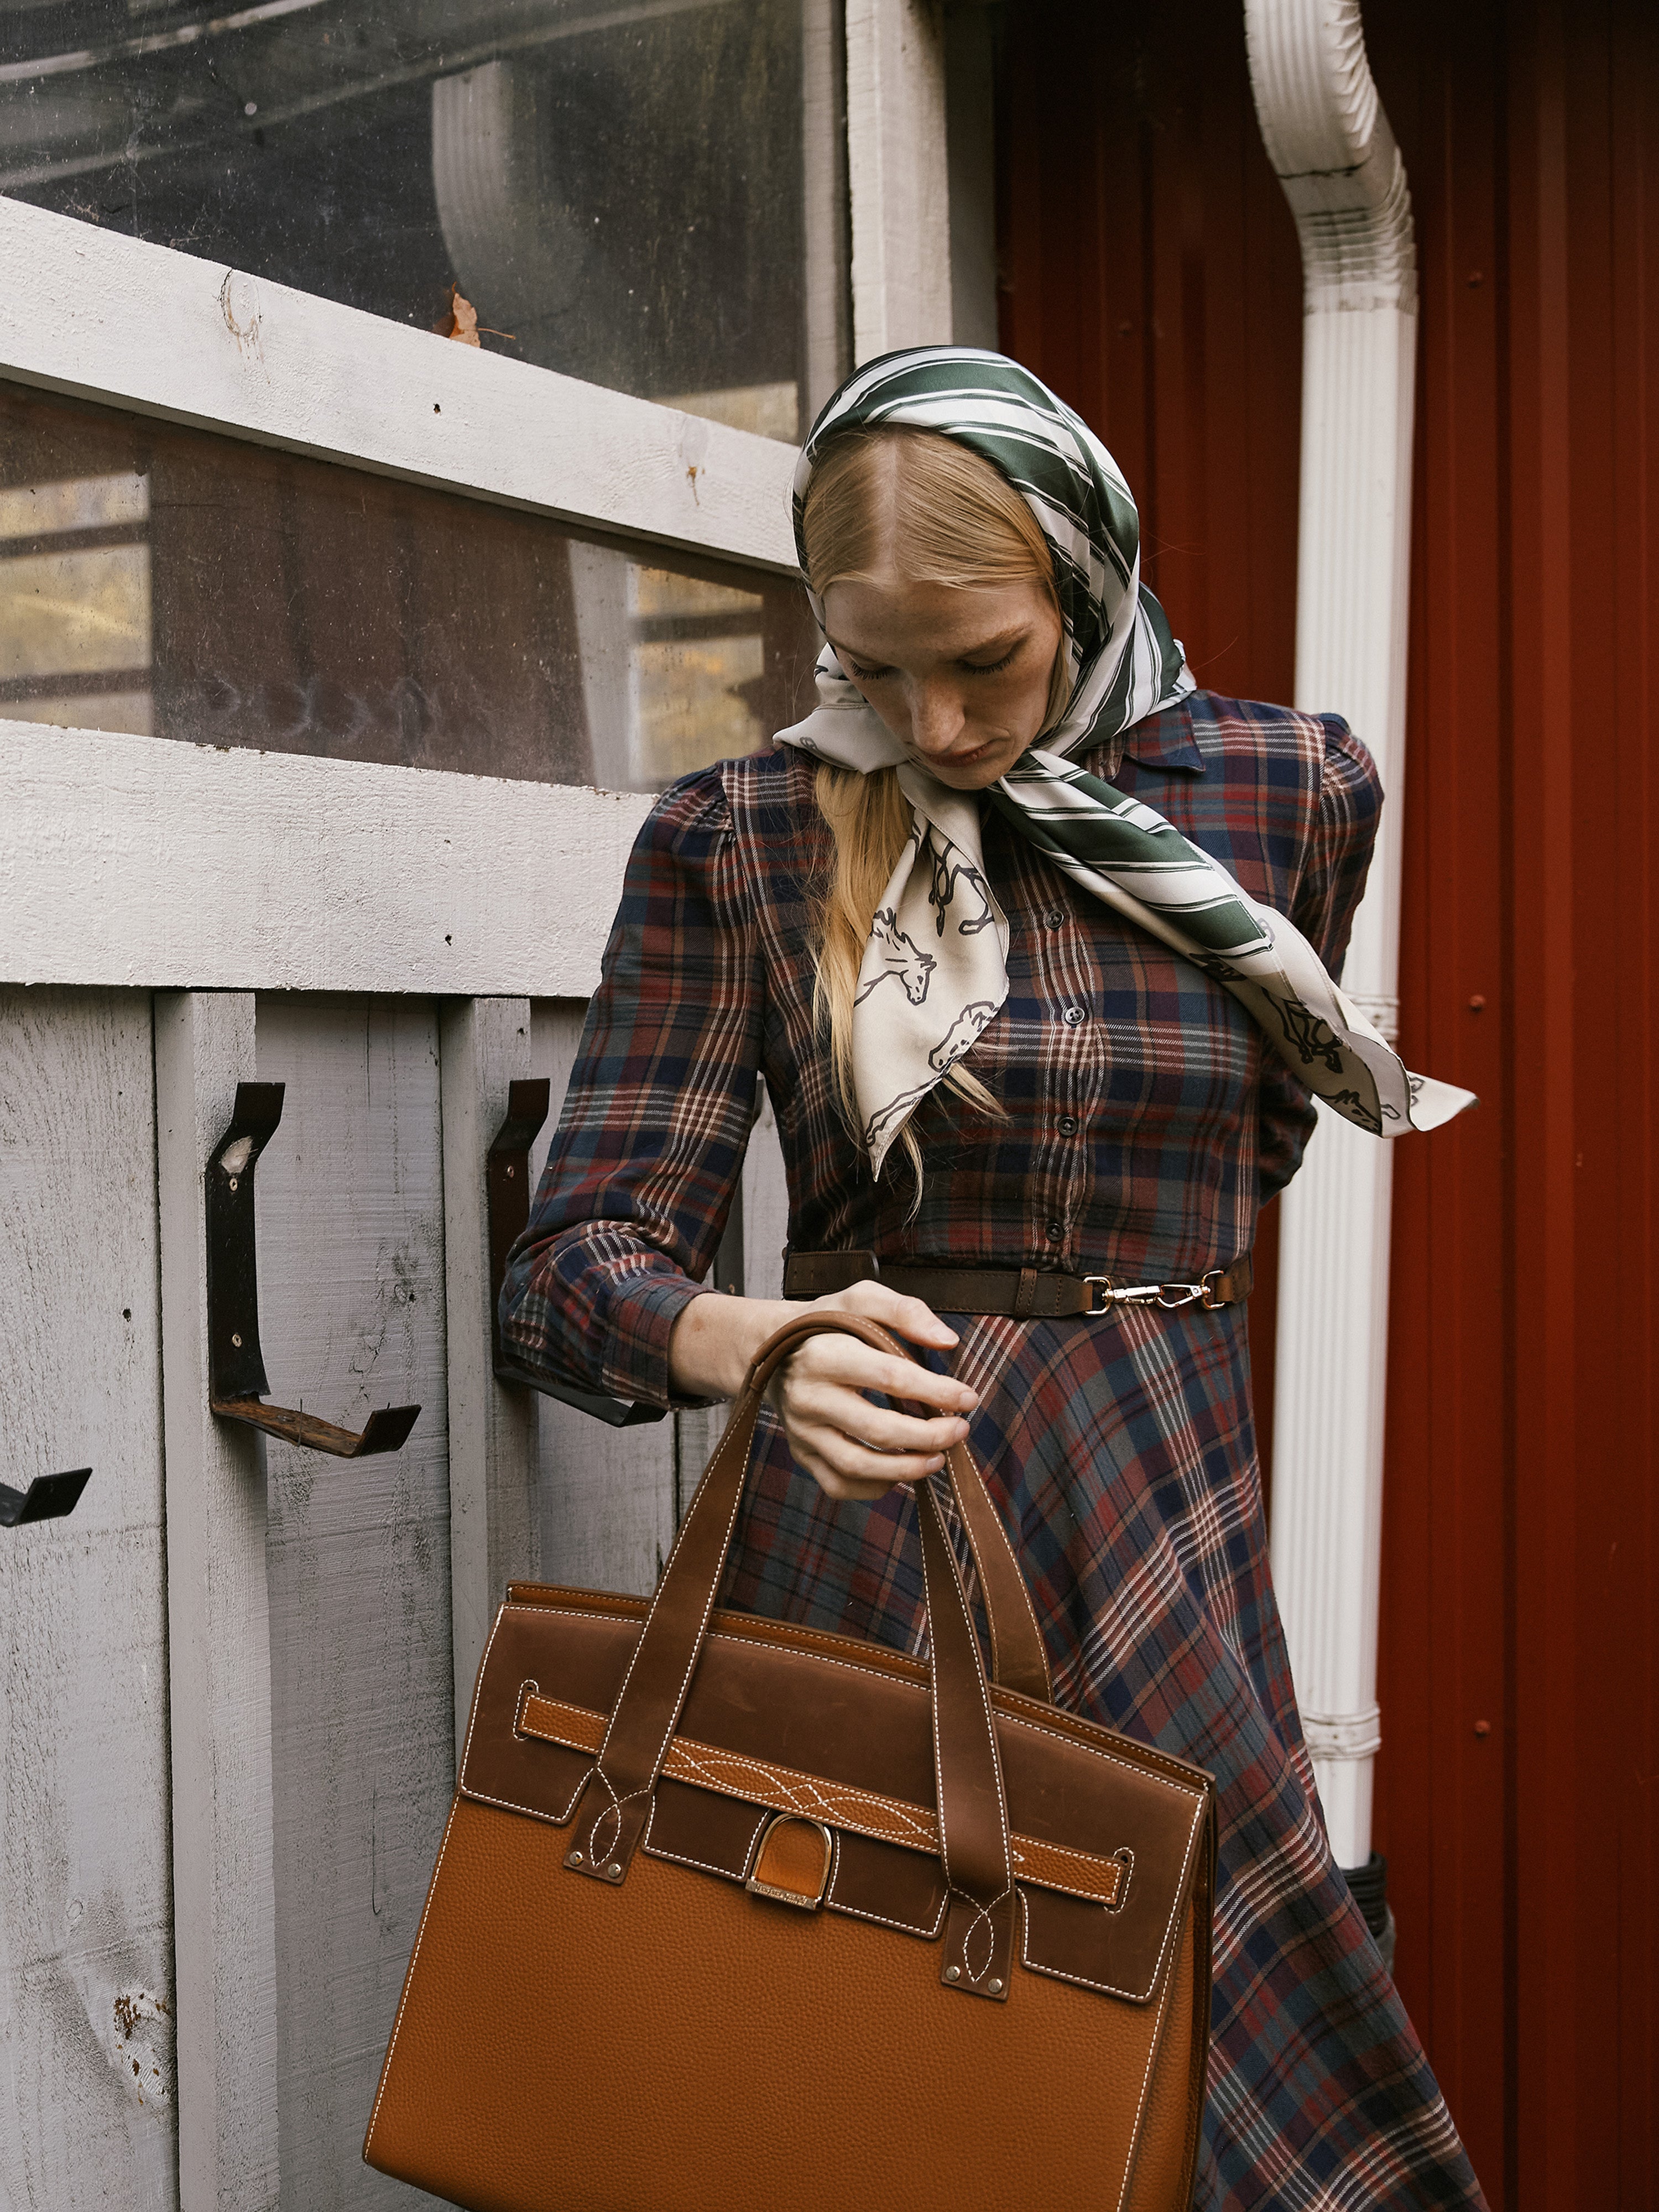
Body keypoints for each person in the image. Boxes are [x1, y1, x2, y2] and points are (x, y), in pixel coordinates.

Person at [502, 348, 1485, 2209]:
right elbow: (570, 1276)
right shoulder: (743, 836)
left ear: (1087, 581)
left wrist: (1119, 1308)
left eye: (985, 661)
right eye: (874, 668)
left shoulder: (1286, 791)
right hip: (865, 1511)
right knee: (860, 2109)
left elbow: (1246, 1151)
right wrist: (757, 1341)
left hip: (1154, 1501)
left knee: (1228, 2104)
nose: (935, 721)